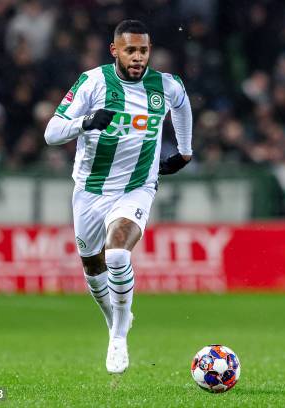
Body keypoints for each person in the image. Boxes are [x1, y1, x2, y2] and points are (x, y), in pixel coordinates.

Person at [44, 19, 192, 374]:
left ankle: (118, 337)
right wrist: (85, 123)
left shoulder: (165, 85)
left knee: (118, 251)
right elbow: (51, 132)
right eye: (130, 50)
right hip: (90, 192)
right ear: (115, 51)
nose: (138, 57)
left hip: (136, 187)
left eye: (143, 50)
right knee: (93, 269)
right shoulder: (93, 82)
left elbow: (182, 106)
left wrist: (185, 151)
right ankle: (115, 320)